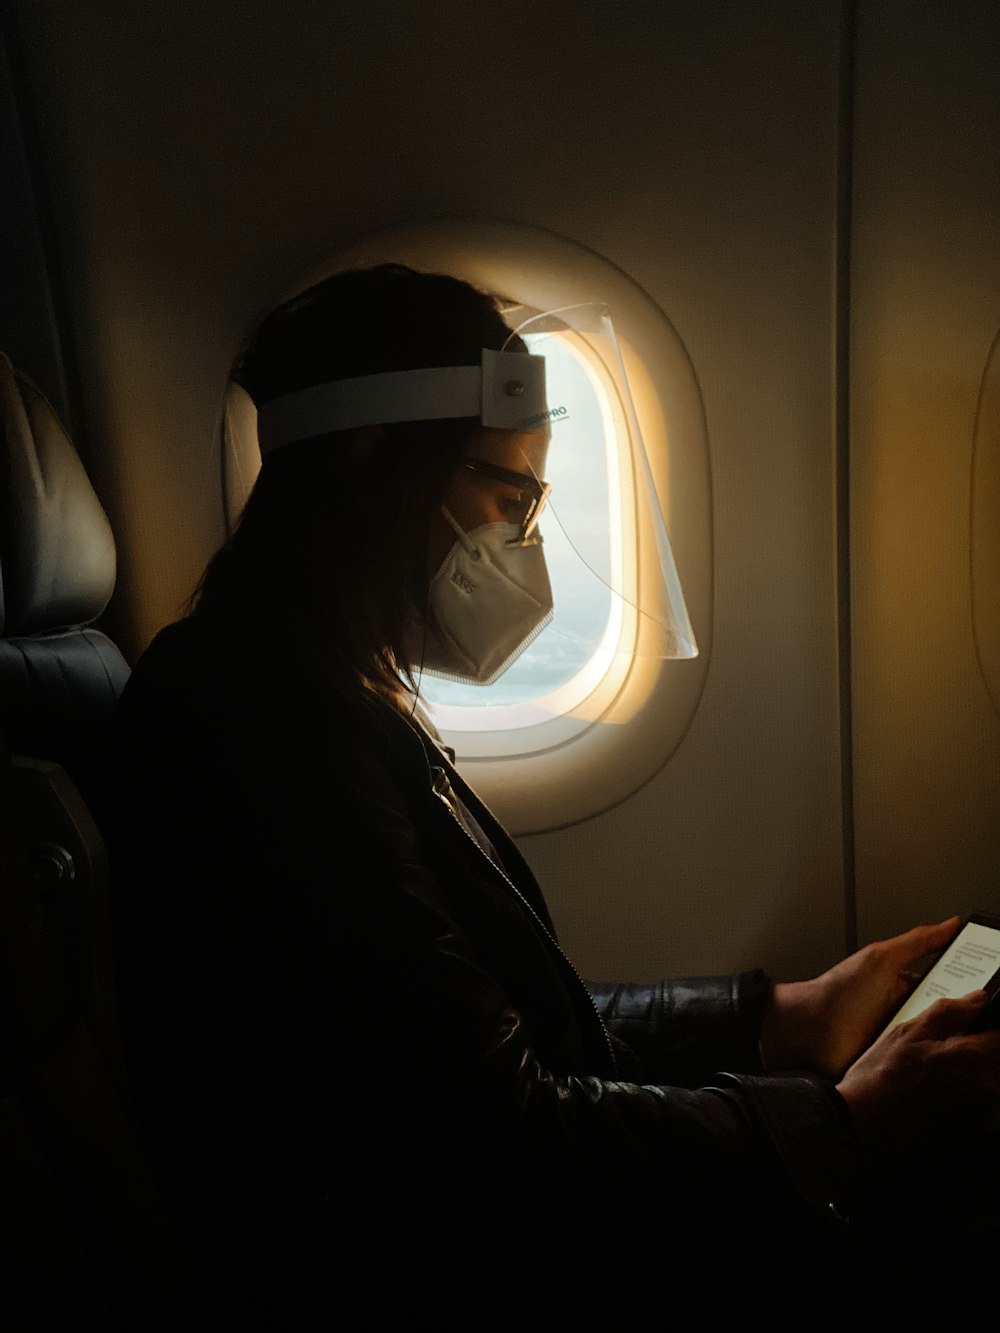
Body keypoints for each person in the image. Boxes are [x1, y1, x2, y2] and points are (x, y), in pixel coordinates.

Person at [106, 265, 1000, 1328]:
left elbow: (484, 1045)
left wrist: (776, 1019)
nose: (524, 539)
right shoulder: (256, 736)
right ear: (371, 456)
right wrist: (833, 1126)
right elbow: (493, 1143)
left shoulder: (320, 690)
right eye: (507, 493)